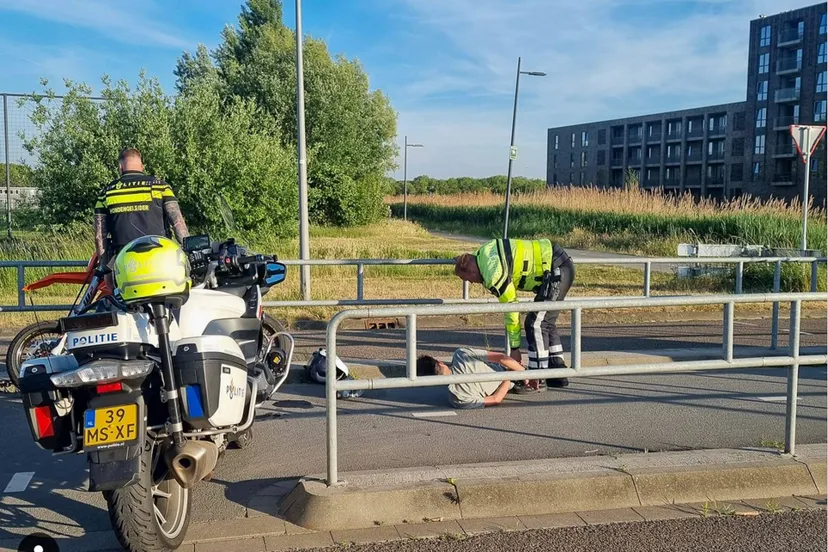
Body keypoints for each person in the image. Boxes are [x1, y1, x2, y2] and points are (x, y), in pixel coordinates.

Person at [454, 238, 575, 393]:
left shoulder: (493, 275)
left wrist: (515, 348)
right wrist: (459, 261)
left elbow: (512, 308)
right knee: (545, 321)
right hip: (557, 263)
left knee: (536, 324)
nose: (470, 283)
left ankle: (537, 378)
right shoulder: (482, 253)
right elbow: (468, 259)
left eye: (466, 279)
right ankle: (557, 372)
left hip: (555, 270)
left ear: (472, 271)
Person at [94, 148, 189, 283]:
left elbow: (100, 236)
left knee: (123, 302)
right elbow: (178, 223)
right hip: (161, 261)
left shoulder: (106, 193)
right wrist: (190, 252)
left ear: (120, 167)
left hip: (126, 265)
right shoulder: (160, 187)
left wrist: (105, 269)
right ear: (142, 166)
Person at [416, 348, 527, 408]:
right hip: (513, 372)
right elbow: (501, 358)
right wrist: (524, 373)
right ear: (440, 362)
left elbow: (495, 399)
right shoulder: (461, 355)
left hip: (510, 381)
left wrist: (508, 377)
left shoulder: (457, 398)